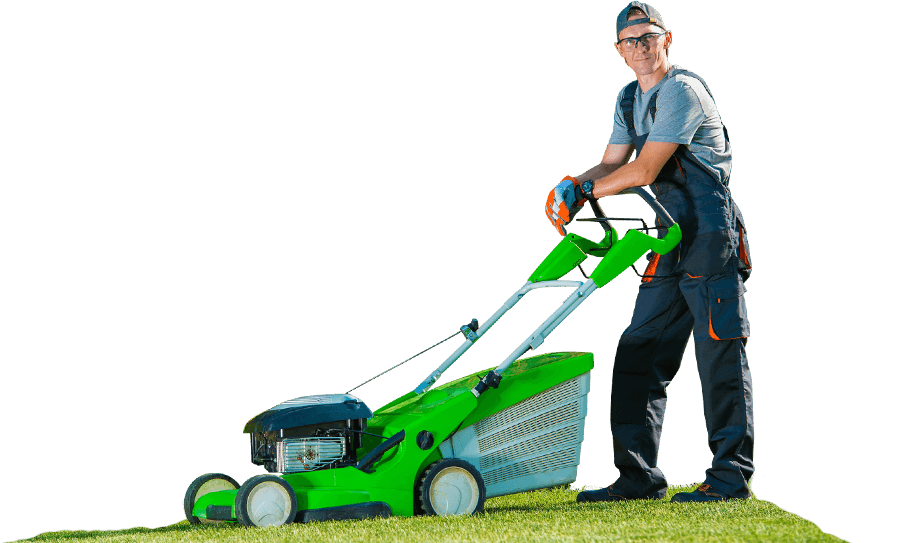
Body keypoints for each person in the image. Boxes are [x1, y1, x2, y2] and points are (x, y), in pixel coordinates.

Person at [545, 2, 754, 503]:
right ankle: (637, 476)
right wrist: (573, 184)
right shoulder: (626, 99)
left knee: (718, 354)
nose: (639, 46)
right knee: (639, 350)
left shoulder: (682, 90)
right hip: (667, 237)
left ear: (667, 39)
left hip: (709, 236)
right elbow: (611, 163)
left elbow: (642, 171)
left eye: (648, 36)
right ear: (618, 50)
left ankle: (728, 480)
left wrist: (591, 194)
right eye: (629, 40)